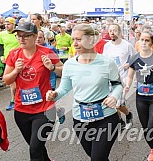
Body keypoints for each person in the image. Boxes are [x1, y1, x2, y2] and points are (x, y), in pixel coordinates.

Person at [46, 24, 123, 161]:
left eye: (79, 39)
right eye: (74, 39)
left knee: (97, 158)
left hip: (106, 117)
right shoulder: (69, 64)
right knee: (96, 156)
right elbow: (64, 88)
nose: (74, 43)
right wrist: (54, 94)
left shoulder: (107, 63)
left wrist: (114, 97)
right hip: (80, 118)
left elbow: (117, 85)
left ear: (91, 40)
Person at [3, 22, 63, 161]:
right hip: (22, 110)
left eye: (26, 36)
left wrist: (52, 67)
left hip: (45, 109)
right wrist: (16, 71)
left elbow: (64, 70)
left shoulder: (47, 52)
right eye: (19, 36)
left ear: (35, 36)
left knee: (34, 149)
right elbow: (6, 80)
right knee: (36, 146)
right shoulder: (14, 54)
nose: (21, 39)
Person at [124, 31, 153, 161]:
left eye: (147, 40)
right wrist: (127, 86)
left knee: (151, 127)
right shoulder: (134, 58)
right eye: (142, 40)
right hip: (141, 97)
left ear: (151, 42)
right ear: (138, 41)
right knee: (145, 128)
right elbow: (130, 75)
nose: (144, 43)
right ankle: (152, 149)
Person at [103, 23, 135, 130]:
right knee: (112, 103)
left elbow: (135, 57)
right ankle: (120, 121)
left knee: (119, 104)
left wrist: (128, 64)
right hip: (109, 79)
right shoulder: (107, 46)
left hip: (122, 78)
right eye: (110, 31)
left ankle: (128, 114)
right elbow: (104, 61)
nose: (112, 33)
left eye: (115, 30)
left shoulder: (127, 45)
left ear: (120, 32)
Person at [36, 30, 66, 124]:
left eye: (40, 37)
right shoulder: (31, 49)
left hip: (50, 80)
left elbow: (59, 65)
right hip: (37, 82)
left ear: (44, 38)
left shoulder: (50, 49)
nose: (38, 39)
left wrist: (51, 68)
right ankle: (57, 111)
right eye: (36, 37)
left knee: (49, 100)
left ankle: (50, 119)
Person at [0, 17, 20, 111]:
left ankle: (18, 100)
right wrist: (2, 55)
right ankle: (13, 100)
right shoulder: (2, 34)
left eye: (9, 24)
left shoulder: (18, 33)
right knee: (12, 83)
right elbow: (1, 45)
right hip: (8, 61)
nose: (6, 26)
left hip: (19, 60)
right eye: (5, 24)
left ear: (13, 24)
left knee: (20, 81)